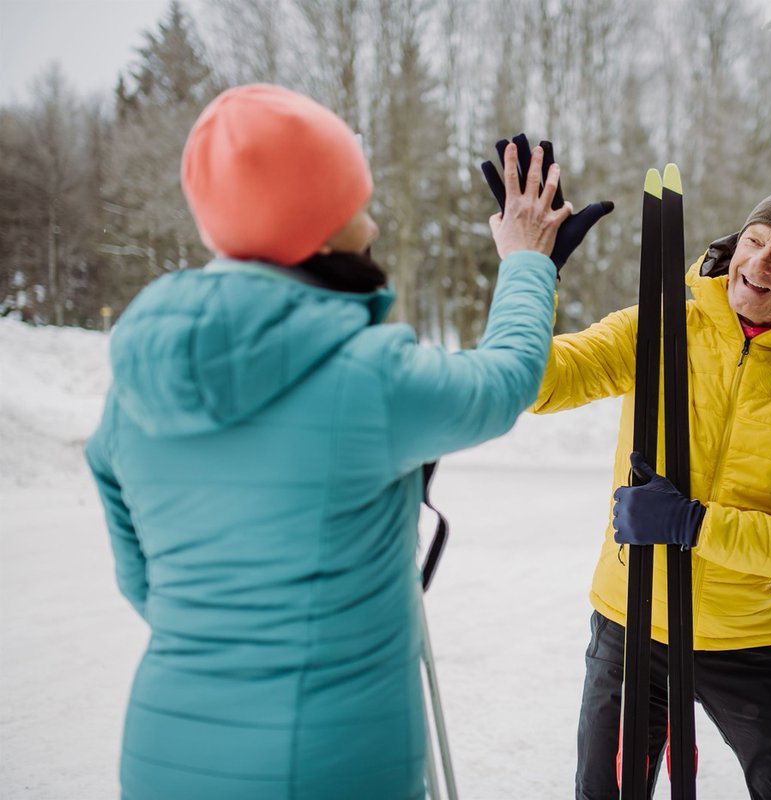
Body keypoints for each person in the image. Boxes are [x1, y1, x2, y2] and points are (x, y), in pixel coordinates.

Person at [85, 83, 591, 799]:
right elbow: (503, 382)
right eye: (355, 203)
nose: (375, 224)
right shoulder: (363, 376)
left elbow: (144, 582)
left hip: (165, 753)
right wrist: (526, 262)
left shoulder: (133, 388)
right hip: (325, 761)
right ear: (314, 227)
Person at [532, 186, 771, 800]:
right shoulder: (658, 327)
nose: (759, 263)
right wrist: (532, 274)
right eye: (755, 240)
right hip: (634, 616)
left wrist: (692, 523)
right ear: (733, 244)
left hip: (750, 636)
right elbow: (537, 385)